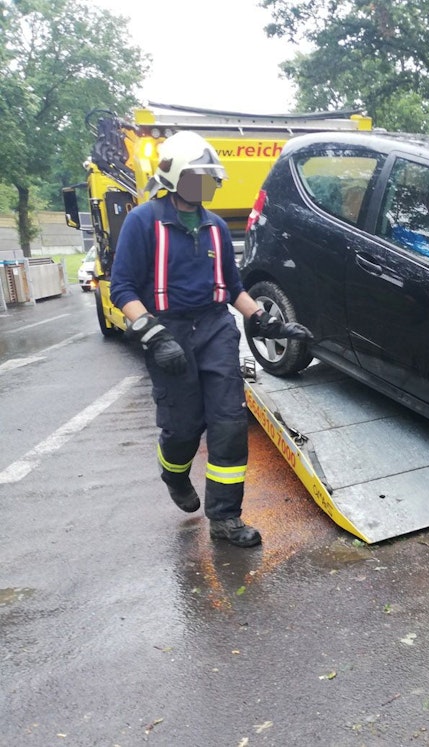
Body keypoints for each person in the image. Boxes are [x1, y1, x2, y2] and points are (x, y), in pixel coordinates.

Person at [111, 131, 313, 547]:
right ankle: (174, 471)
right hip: (169, 332)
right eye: (197, 177)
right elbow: (123, 289)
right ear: (174, 178)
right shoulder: (143, 221)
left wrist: (265, 320)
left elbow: (232, 287)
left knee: (229, 426)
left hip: (216, 329)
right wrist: (154, 334)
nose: (206, 185)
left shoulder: (216, 227)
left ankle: (224, 518)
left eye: (208, 177)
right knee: (183, 428)